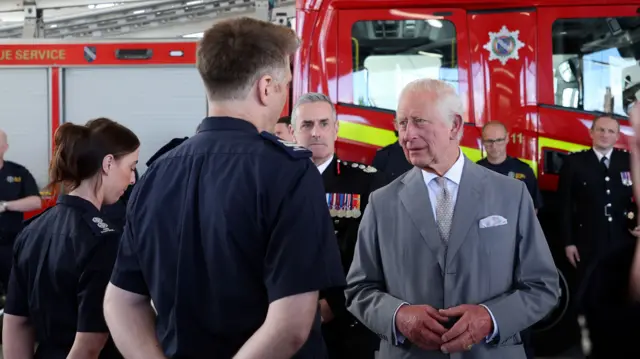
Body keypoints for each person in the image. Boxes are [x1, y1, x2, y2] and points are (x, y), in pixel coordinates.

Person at [103, 17, 346, 359]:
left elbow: (121, 301)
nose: (285, 95)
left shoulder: (156, 174)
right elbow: (291, 323)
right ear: (265, 87)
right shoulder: (290, 173)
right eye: (285, 84)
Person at [344, 78, 560, 359]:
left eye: (419, 121)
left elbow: (543, 286)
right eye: (401, 123)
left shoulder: (512, 194)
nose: (407, 135)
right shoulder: (382, 202)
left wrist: (490, 318)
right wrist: (398, 317)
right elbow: (359, 289)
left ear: (455, 126)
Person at [2, 119, 140, 359]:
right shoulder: (105, 240)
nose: (132, 180)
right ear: (108, 164)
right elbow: (89, 343)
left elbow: (16, 322)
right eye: (131, 167)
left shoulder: (31, 230)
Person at [291, 92, 382, 358]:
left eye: (323, 123)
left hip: (348, 322)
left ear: (336, 129)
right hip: (288, 320)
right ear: (294, 132)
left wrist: (333, 304)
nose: (316, 133)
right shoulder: (275, 184)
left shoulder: (366, 183)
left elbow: (374, 254)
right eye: (307, 125)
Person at [557, 114, 639, 358]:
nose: (605, 135)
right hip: (588, 240)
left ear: (617, 135)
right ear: (591, 133)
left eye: (611, 131)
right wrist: (568, 242)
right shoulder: (575, 163)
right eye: (601, 130)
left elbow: (634, 200)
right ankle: (581, 344)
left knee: (621, 294)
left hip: (622, 240)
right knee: (585, 292)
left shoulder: (627, 161)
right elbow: (564, 206)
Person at [0, 129, 42, 290]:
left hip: (11, 246)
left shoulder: (19, 172)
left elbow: (36, 201)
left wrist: (5, 206)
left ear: (5, 147)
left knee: (15, 290)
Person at [476, 121, 543, 212]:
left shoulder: (524, 170)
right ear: (482, 141)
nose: (494, 146)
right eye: (489, 141)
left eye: (499, 140)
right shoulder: (474, 171)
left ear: (507, 138)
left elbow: (533, 207)